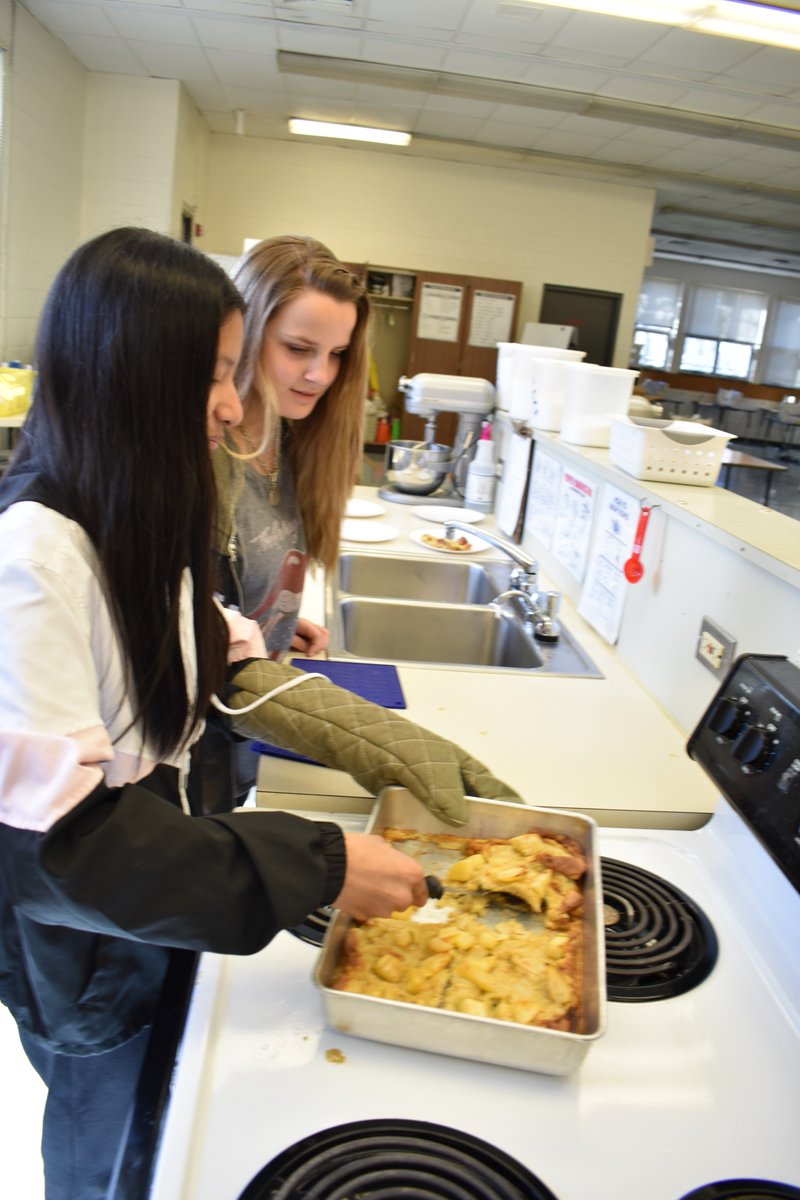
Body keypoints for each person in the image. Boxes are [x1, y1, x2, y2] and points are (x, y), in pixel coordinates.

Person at [0, 227, 432, 1200]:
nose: (234, 406)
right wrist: (315, 860)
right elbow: (62, 849)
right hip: (87, 937)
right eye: (214, 376)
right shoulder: (32, 557)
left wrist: (339, 722)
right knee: (107, 1135)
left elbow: (207, 630)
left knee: (160, 1113)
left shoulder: (134, 501)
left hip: (155, 888)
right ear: (129, 372)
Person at [212, 234, 369, 661]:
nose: (320, 375)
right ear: (244, 333)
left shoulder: (290, 438)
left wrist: (270, 623)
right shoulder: (208, 453)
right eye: (298, 349)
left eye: (336, 353)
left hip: (260, 694)